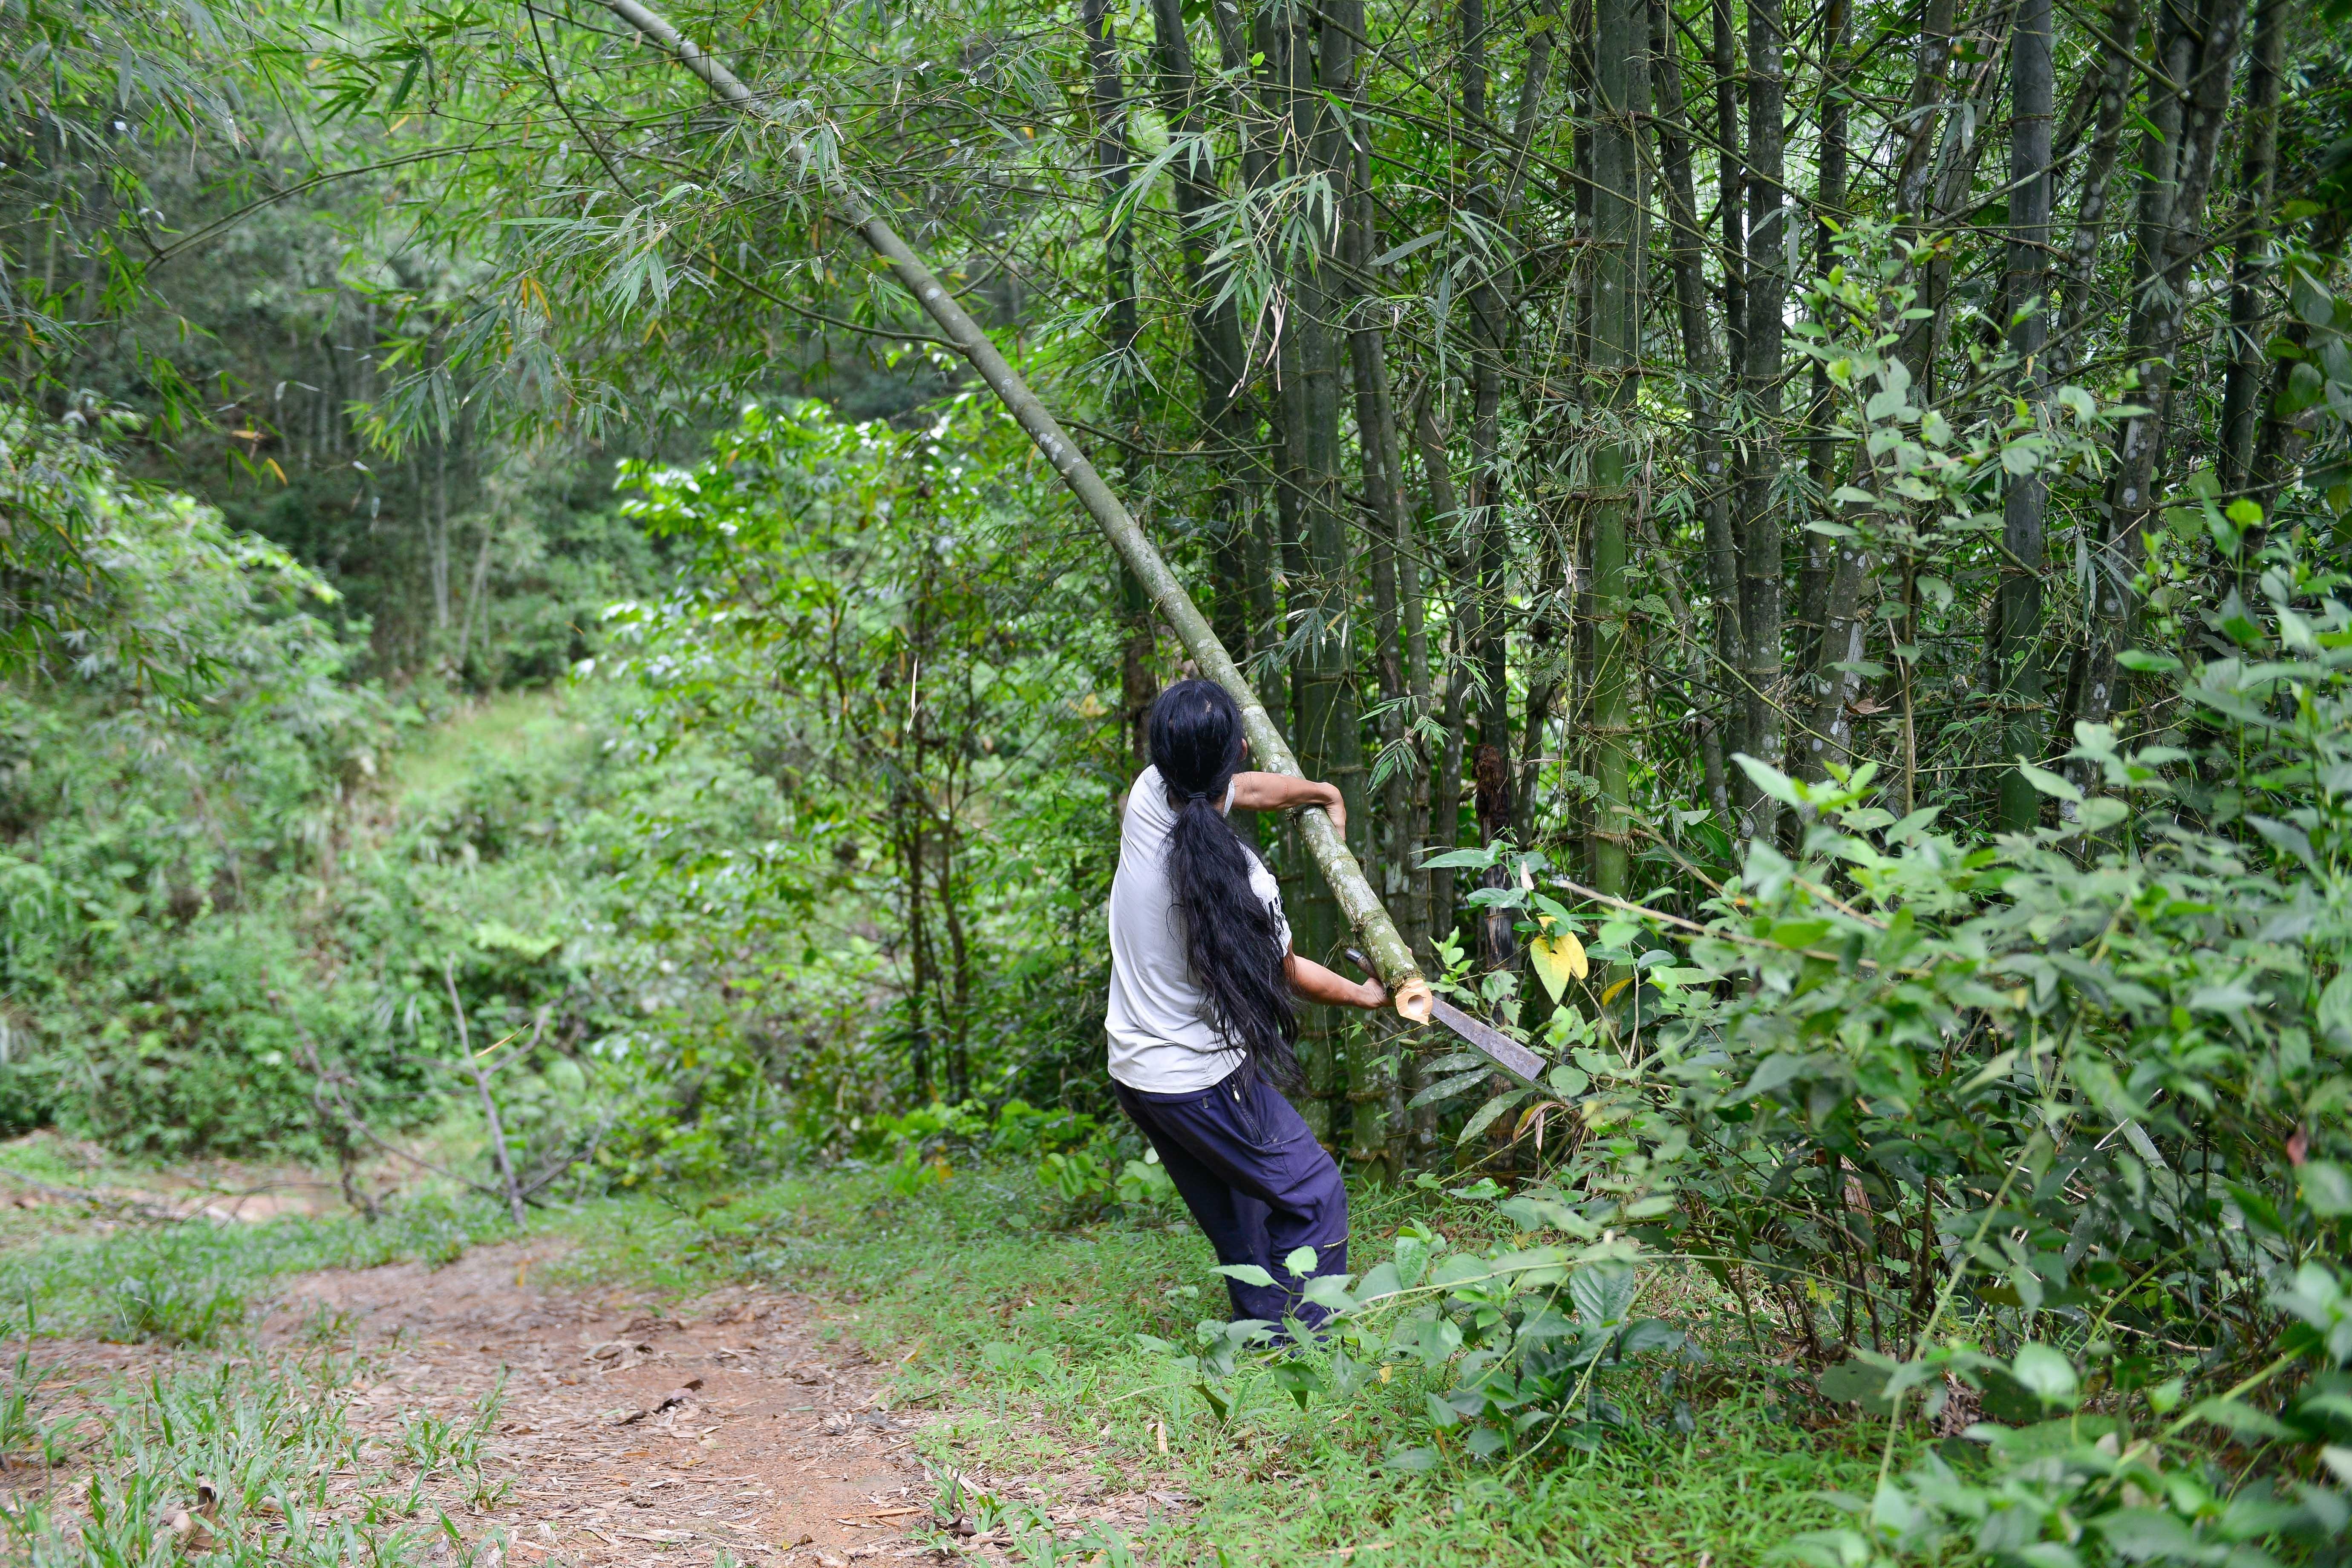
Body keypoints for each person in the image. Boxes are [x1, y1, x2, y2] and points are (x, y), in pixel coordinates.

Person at [1106, 677, 1387, 1332]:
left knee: (1242, 1216)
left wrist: (1321, 791)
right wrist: (1365, 994)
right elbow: (1287, 972)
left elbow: (1249, 791)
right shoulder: (1244, 882)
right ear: (1236, 751)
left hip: (1137, 1074)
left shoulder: (1146, 798)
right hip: (1200, 1082)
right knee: (1315, 1193)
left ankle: (1264, 1335)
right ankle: (1307, 1345)